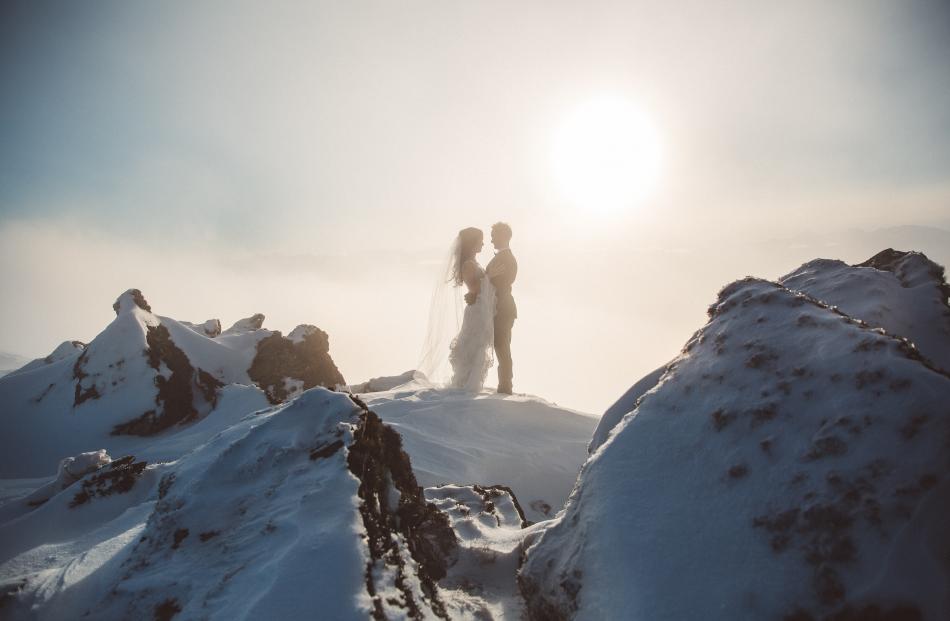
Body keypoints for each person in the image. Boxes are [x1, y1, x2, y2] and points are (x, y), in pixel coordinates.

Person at [448, 227, 496, 391]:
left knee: (478, 346)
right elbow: (474, 288)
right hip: (475, 312)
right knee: (473, 346)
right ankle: (467, 385)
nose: (483, 243)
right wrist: (490, 276)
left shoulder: (473, 262)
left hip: (479, 309)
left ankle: (473, 384)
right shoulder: (468, 264)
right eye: (480, 240)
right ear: (472, 242)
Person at [486, 222, 517, 394]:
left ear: (503, 236)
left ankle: (505, 386)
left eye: (493, 236)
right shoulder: (502, 257)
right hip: (499, 308)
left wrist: (485, 279)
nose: (491, 240)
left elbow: (498, 286)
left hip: (503, 309)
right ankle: (505, 385)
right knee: (501, 346)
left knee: (502, 346)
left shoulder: (507, 260)